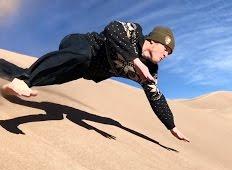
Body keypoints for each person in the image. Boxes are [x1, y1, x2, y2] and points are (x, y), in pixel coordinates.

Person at [1, 20, 190, 142]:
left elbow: (156, 97)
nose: (167, 54)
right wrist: (135, 61)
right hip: (82, 45)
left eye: (169, 53)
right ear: (153, 41)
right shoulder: (134, 32)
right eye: (166, 49)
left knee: (41, 75)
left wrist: (171, 126)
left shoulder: (151, 71)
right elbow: (112, 30)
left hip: (83, 70)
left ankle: (11, 73)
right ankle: (23, 82)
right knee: (81, 56)